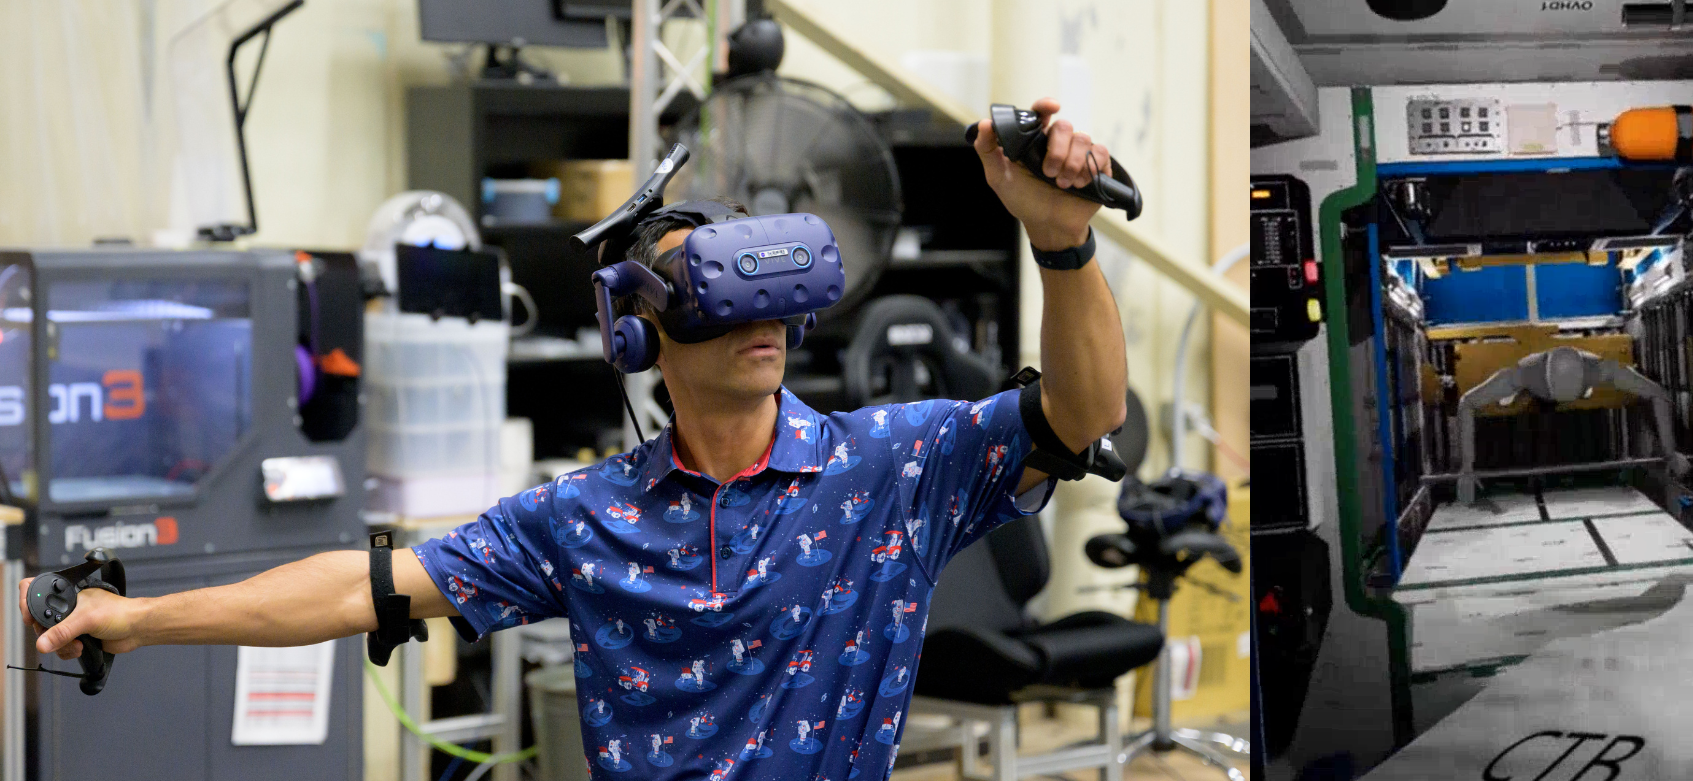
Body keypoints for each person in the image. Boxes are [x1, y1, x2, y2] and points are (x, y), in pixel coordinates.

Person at [18, 98, 1126, 779]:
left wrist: (1060, 243)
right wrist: (137, 616)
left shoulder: (886, 469)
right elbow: (361, 589)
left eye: (760, 290)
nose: (752, 321)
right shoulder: (587, 518)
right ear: (637, 333)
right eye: (707, 291)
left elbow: (1083, 415)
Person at [1456, 345, 1692, 503]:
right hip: (1530, 390)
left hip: (1580, 388)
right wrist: (1467, 469)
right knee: (1507, 403)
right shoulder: (1522, 375)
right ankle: (1517, 398)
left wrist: (1670, 452)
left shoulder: (1601, 370)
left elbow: (1657, 393)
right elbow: (1467, 402)